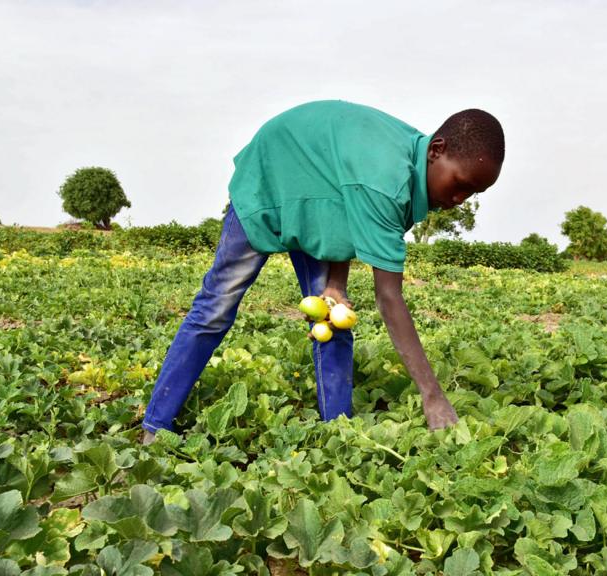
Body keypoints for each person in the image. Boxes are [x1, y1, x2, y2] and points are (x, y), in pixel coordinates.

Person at [141, 100, 504, 444]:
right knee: (215, 308)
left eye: (474, 192)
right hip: (271, 177)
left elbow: (345, 202)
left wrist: (335, 283)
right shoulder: (387, 180)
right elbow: (388, 297)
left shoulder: (409, 171)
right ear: (436, 150)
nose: (461, 199)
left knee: (334, 316)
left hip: (318, 196)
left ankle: (338, 435)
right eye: (460, 183)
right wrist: (433, 396)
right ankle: (156, 426)